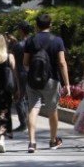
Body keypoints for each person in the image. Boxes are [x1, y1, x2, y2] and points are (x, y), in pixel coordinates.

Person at [23, 13, 70, 153]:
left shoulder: (30, 40)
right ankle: (53, 140)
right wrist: (67, 83)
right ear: (51, 25)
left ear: (36, 25)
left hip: (33, 80)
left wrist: (33, 72)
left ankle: (32, 142)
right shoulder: (57, 41)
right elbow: (62, 63)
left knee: (33, 108)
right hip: (51, 79)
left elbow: (25, 63)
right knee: (52, 109)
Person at [9, 21, 31, 132]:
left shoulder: (18, 46)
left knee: (19, 97)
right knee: (30, 98)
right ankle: (29, 122)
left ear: (21, 30)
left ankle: (24, 123)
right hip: (34, 73)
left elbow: (15, 63)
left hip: (21, 73)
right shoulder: (33, 42)